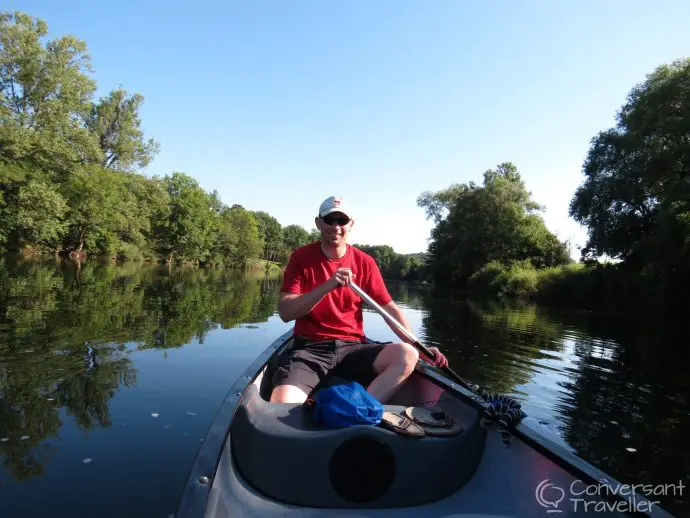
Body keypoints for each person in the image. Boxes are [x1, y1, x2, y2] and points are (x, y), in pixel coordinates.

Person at [270, 195, 448, 404]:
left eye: (342, 221)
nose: (336, 226)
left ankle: (357, 409)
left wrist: (419, 346)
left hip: (352, 348)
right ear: (318, 223)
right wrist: (328, 286)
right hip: (310, 349)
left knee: (407, 355)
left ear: (351, 224)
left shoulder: (365, 262)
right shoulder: (301, 258)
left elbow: (389, 309)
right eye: (330, 220)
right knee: (282, 403)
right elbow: (285, 312)